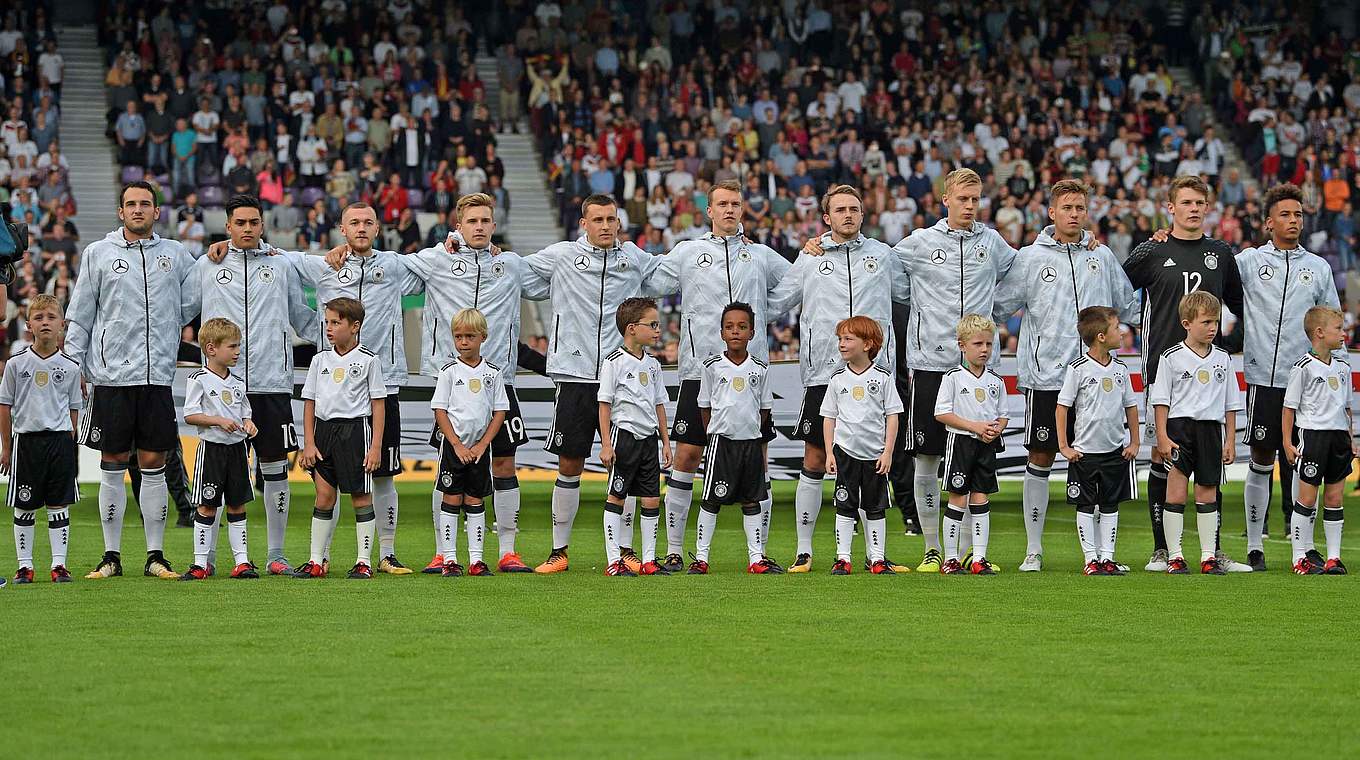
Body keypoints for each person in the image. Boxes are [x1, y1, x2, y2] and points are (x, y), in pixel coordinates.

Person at [398, 194, 549, 573]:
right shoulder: (437, 259)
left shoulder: (511, 265)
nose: (479, 226)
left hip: (500, 380)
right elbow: (387, 269)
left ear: (494, 226)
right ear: (458, 226)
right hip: (450, 383)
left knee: (504, 462)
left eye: (485, 220)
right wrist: (340, 256)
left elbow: (557, 279)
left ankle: (508, 551)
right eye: (472, 221)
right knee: (446, 464)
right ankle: (442, 552)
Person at [992, 179, 1136, 571]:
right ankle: (1034, 550)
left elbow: (1128, 304)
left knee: (1102, 460)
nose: (1074, 214)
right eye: (1067, 208)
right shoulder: (1030, 258)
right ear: (1051, 212)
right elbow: (998, 308)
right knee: (1040, 457)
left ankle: (1102, 554)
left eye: (1080, 208)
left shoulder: (1101, 256)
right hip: (1047, 377)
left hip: (1097, 378)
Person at [646, 179, 789, 573]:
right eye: (722, 204)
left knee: (757, 459)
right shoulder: (689, 252)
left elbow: (796, 281)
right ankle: (675, 549)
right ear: (708, 211)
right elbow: (650, 279)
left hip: (752, 371)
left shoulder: (760, 254)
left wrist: (762, 312)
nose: (729, 210)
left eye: (736, 204)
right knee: (689, 455)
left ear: (743, 209)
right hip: (700, 369)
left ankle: (758, 553)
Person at [770, 184, 911, 573]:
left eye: (855, 208)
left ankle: (874, 556)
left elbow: (917, 294)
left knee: (871, 462)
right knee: (815, 457)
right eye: (840, 210)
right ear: (826, 218)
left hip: (877, 375)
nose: (848, 215)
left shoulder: (883, 256)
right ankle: (803, 551)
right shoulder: (810, 259)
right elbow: (775, 303)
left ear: (863, 214)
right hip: (824, 374)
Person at [67, 181, 200, 580]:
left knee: (154, 462)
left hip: (156, 378)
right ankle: (111, 557)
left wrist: (215, 256)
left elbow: (195, 296)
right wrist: (74, 368)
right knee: (112, 463)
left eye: (145, 203)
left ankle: (155, 556)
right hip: (111, 378)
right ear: (120, 212)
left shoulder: (176, 255)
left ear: (157, 212)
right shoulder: (98, 254)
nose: (138, 209)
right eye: (131, 204)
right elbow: (81, 313)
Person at [520, 194, 657, 573]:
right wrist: (457, 242)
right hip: (575, 374)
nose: (605, 226)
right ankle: (559, 551)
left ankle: (626, 552)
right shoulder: (561, 255)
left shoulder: (633, 259)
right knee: (570, 463)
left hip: (623, 374)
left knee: (627, 463)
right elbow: (511, 268)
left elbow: (672, 273)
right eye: (597, 219)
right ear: (583, 223)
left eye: (611, 219)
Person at [894, 169, 1018, 573]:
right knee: (927, 458)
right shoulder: (919, 243)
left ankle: (967, 550)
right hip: (931, 364)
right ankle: (932, 547)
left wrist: (990, 319)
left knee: (976, 459)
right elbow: (883, 273)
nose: (970, 206)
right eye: (962, 198)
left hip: (979, 369)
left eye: (976, 199)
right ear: (944, 199)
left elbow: (1023, 276)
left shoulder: (993, 243)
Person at [1124, 175, 1248, 574]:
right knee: (1164, 459)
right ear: (1171, 208)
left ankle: (1213, 552)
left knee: (1211, 465)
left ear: (1208, 207)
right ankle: (1164, 550)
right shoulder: (1151, 251)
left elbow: (1239, 303)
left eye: (1200, 202)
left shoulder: (1220, 252)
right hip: (1163, 367)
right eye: (1186, 203)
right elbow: (1115, 289)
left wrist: (1228, 346)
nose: (1193, 209)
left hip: (1207, 374)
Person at [195, 195, 316, 576]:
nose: (247, 228)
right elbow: (178, 310)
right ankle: (207, 560)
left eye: (254, 222)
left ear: (262, 225)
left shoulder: (282, 265)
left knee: (275, 467)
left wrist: (343, 349)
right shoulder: (207, 265)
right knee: (216, 474)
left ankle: (276, 555)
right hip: (220, 386)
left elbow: (300, 316)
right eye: (240, 223)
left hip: (271, 382)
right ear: (228, 227)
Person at [1234, 183, 1340, 571]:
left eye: (1298, 214)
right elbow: (1212, 270)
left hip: (1307, 384)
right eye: (1285, 214)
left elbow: (1332, 322)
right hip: (1264, 379)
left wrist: (1336, 373)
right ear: (1268, 222)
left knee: (1304, 463)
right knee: (1261, 459)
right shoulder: (1246, 263)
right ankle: (1253, 545)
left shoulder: (1318, 268)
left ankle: (1303, 548)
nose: (1293, 220)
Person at [1149, 292, 1244, 575]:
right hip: (1180, 430)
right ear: (1187, 323)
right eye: (1206, 322)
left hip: (1211, 431)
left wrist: (1230, 440)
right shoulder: (1171, 357)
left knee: (1207, 492)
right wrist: (1163, 437)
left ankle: (1207, 556)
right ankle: (1175, 556)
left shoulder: (1223, 359)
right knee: (1176, 493)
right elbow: (1161, 401)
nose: (1213, 328)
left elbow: (1230, 404)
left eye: (1215, 322)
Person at [294, 298, 387, 579]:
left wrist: (375, 448)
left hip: (356, 432)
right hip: (324, 433)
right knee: (324, 496)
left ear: (355, 326)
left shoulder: (369, 360)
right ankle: (315, 561)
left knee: (360, 497)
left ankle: (363, 562)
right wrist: (308, 442)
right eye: (327, 322)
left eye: (336, 322)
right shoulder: (319, 360)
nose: (329, 328)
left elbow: (378, 405)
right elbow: (309, 402)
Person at [692, 302, 780, 574]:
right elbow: (704, 405)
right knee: (711, 500)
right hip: (722, 443)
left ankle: (756, 559)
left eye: (742, 327)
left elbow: (765, 408)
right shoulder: (711, 367)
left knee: (752, 500)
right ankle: (701, 557)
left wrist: (749, 430)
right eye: (729, 327)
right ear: (721, 333)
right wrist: (715, 431)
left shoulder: (760, 369)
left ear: (752, 333)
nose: (736, 332)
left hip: (750, 443)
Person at [0, 295, 81, 584]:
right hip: (26, 443)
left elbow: (74, 408)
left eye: (51, 317)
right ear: (28, 325)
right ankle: (25, 566)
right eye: (39, 317)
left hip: (59, 442)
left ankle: (59, 565)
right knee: (25, 505)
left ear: (62, 325)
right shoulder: (15, 364)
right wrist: (7, 447)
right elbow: (5, 405)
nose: (45, 322)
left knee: (59, 505)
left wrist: (69, 443)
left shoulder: (71, 367)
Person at [1056, 306, 1141, 576]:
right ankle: (1090, 558)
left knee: (1110, 504)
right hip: (1084, 452)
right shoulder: (1078, 369)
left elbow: (1131, 406)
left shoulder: (1121, 368)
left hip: (1115, 451)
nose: (1122, 332)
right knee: (1085, 503)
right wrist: (1064, 446)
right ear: (1102, 336)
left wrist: (1134, 442)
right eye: (1117, 328)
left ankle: (1107, 557)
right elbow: (1062, 408)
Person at [178, 318, 260, 581]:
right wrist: (218, 421)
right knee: (206, 507)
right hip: (212, 451)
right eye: (232, 346)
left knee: (237, 505)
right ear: (211, 349)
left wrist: (249, 424)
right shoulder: (199, 379)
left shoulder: (237, 382)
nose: (237, 352)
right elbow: (191, 414)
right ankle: (200, 563)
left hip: (237, 451)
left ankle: (242, 561)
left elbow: (245, 413)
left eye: (238, 346)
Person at [822, 316, 903, 575]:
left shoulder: (883, 377)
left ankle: (877, 558)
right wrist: (829, 452)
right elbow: (829, 417)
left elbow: (893, 416)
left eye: (848, 339)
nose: (842, 344)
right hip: (845, 452)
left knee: (875, 506)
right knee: (845, 505)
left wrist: (887, 451)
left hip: (874, 456)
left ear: (868, 344)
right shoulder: (837, 379)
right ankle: (843, 558)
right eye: (840, 339)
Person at [431, 308, 508, 578]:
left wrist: (482, 445)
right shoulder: (449, 372)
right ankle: (449, 559)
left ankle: (477, 560)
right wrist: (457, 444)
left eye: (469, 336)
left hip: (479, 450)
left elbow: (500, 412)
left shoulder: (493, 373)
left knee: (475, 500)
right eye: (458, 336)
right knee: (451, 498)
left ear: (482, 337)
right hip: (454, 449)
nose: (463, 342)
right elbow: (440, 411)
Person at [597, 297, 672, 576]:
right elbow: (604, 405)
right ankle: (613, 560)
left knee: (651, 498)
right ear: (631, 328)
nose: (657, 330)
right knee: (617, 496)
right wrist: (606, 444)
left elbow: (659, 403)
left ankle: (649, 560)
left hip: (648, 439)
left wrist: (665, 441)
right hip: (624, 437)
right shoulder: (613, 362)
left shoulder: (653, 365)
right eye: (652, 324)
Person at [933, 315, 1010, 575]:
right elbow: (941, 414)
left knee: (981, 498)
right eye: (978, 344)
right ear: (962, 345)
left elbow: (1003, 414)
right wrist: (975, 426)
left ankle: (978, 557)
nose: (984, 350)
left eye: (989, 344)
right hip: (960, 444)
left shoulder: (996, 381)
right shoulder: (953, 377)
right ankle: (951, 558)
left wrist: (996, 428)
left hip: (985, 446)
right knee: (958, 498)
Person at [1282, 306, 1352, 575]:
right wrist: (1288, 442)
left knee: (1334, 498)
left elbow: (1346, 409)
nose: (1344, 334)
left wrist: (1350, 438)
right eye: (1339, 328)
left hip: (1338, 438)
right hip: (1312, 436)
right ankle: (1299, 557)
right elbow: (1289, 408)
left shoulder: (1342, 368)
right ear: (1320, 333)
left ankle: (1334, 557)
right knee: (1307, 498)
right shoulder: (1303, 368)